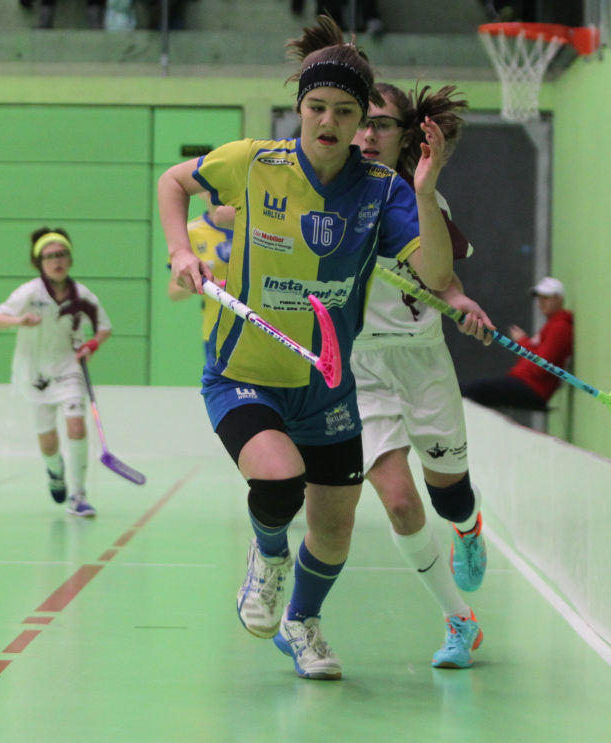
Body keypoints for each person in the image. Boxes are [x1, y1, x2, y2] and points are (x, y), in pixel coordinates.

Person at [159, 14, 469, 680]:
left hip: (328, 387)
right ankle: (267, 553)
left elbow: (437, 276)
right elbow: (173, 182)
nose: (327, 120)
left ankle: (303, 621)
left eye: (344, 110)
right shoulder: (254, 163)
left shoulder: (384, 193)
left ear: (362, 121)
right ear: (299, 108)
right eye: (316, 106)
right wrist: (180, 248)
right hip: (244, 373)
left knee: (334, 530)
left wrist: (424, 189)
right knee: (277, 481)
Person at [351, 81, 497, 669]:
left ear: (406, 135)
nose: (367, 134)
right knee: (399, 503)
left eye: (382, 124)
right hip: (359, 367)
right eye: (361, 121)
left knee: (449, 498)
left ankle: (469, 524)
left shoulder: (422, 200)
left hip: (420, 359)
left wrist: (462, 303)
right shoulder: (325, 194)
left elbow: (441, 281)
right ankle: (460, 620)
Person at [0, 228, 113, 517]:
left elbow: (104, 328)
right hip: (35, 371)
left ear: (70, 258)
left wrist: (91, 346)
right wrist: (19, 320)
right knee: (48, 441)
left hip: (70, 367)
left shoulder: (82, 295)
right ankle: (56, 472)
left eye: (62, 254)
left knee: (77, 426)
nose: (57, 261)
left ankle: (79, 495)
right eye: (50, 256)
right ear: (39, 262)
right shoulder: (29, 293)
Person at [461, 275, 574, 413]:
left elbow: (541, 365)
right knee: (475, 391)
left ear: (558, 299)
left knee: (474, 389)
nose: (541, 302)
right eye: (539, 298)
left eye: (546, 298)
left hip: (532, 388)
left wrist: (522, 341)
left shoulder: (559, 327)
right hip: (526, 384)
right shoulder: (552, 325)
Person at [166, 193, 233, 345]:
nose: (216, 190)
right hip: (217, 331)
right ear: (200, 191)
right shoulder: (191, 232)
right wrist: (199, 281)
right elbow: (175, 291)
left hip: (263, 328)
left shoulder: (256, 227)